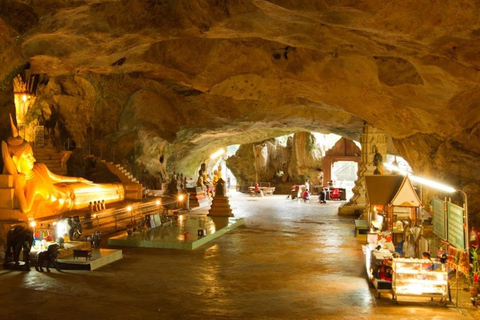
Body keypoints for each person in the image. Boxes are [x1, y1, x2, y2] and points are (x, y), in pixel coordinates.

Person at [1, 114, 124, 220]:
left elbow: (59, 179)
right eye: (28, 157)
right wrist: (17, 184)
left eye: (32, 155)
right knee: (108, 193)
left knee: (99, 187)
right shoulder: (31, 185)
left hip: (67, 189)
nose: (33, 159)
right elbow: (25, 209)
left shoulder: (40, 167)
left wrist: (78, 179)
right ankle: (121, 189)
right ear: (16, 161)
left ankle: (122, 187)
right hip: (71, 202)